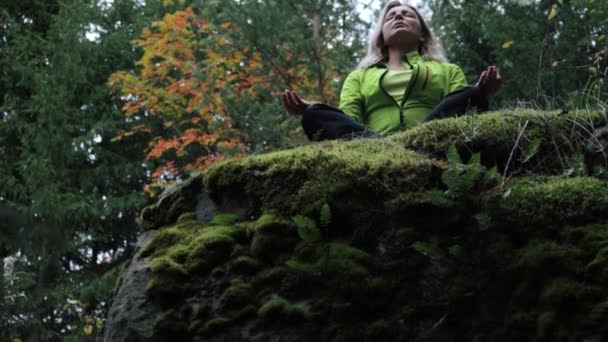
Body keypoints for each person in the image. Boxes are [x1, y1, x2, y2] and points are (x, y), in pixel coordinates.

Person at [281, 0, 502, 141]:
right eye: (391, 16)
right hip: (371, 145)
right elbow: (347, 120)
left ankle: (414, 144)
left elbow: (460, 114)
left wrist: (481, 91)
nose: (398, 16)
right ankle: (385, 149)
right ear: (381, 37)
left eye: (407, 15)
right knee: (314, 115)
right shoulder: (359, 77)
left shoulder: (447, 71)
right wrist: (313, 107)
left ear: (423, 33)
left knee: (470, 95)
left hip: (432, 141)